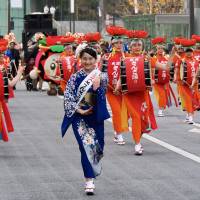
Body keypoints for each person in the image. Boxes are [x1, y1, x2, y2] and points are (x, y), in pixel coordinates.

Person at [61, 47, 109, 195]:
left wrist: (98, 82)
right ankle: (89, 180)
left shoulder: (101, 76)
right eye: (85, 59)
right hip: (80, 117)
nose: (87, 61)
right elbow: (68, 97)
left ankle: (92, 171)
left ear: (95, 60)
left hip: (96, 117)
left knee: (98, 146)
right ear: (80, 60)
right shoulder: (75, 77)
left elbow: (104, 90)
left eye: (90, 59)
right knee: (86, 147)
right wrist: (79, 110)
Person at [119, 30, 157, 155]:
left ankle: (138, 137)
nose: (136, 47)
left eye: (139, 45)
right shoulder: (125, 59)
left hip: (142, 94)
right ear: (130, 46)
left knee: (143, 120)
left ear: (142, 46)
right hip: (129, 94)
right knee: (135, 117)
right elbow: (121, 75)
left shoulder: (146, 59)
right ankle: (137, 144)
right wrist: (118, 86)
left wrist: (172, 56)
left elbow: (164, 68)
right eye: (134, 45)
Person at [105, 25, 129, 145]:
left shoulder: (127, 58)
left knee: (127, 113)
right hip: (111, 91)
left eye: (121, 42)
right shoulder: (106, 57)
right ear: (112, 44)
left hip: (124, 91)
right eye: (117, 43)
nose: (119, 45)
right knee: (116, 111)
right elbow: (101, 73)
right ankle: (119, 134)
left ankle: (117, 130)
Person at [151, 37, 177, 117]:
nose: (160, 50)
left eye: (162, 48)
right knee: (161, 95)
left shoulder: (166, 57)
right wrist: (152, 79)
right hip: (157, 82)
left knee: (165, 96)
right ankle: (160, 110)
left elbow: (170, 66)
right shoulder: (154, 58)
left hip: (165, 81)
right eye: (159, 48)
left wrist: (173, 53)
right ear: (156, 49)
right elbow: (151, 70)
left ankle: (161, 108)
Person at [175, 38, 199, 124]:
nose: (189, 53)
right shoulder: (181, 60)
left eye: (190, 51)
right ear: (185, 52)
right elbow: (177, 70)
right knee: (187, 100)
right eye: (187, 51)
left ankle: (189, 115)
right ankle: (190, 117)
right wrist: (175, 77)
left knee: (194, 100)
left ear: (193, 52)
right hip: (183, 84)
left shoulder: (197, 61)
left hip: (194, 84)